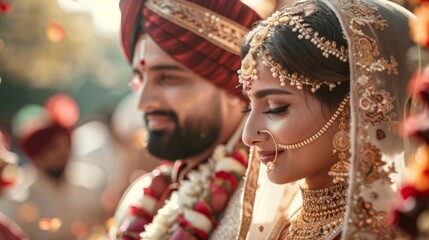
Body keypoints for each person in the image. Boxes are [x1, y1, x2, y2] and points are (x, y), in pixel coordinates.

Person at [236, 0, 422, 239]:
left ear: (355, 107)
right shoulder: (281, 226)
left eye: (276, 108)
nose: (248, 136)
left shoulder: (377, 233)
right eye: (248, 108)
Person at [110, 0, 263, 239]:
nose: (143, 102)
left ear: (238, 87)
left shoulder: (266, 206)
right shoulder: (139, 196)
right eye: (139, 78)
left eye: (168, 78)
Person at [0, 94, 103, 240]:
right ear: (37, 155)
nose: (62, 153)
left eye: (66, 145)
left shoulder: (89, 184)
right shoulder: (19, 198)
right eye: (53, 148)